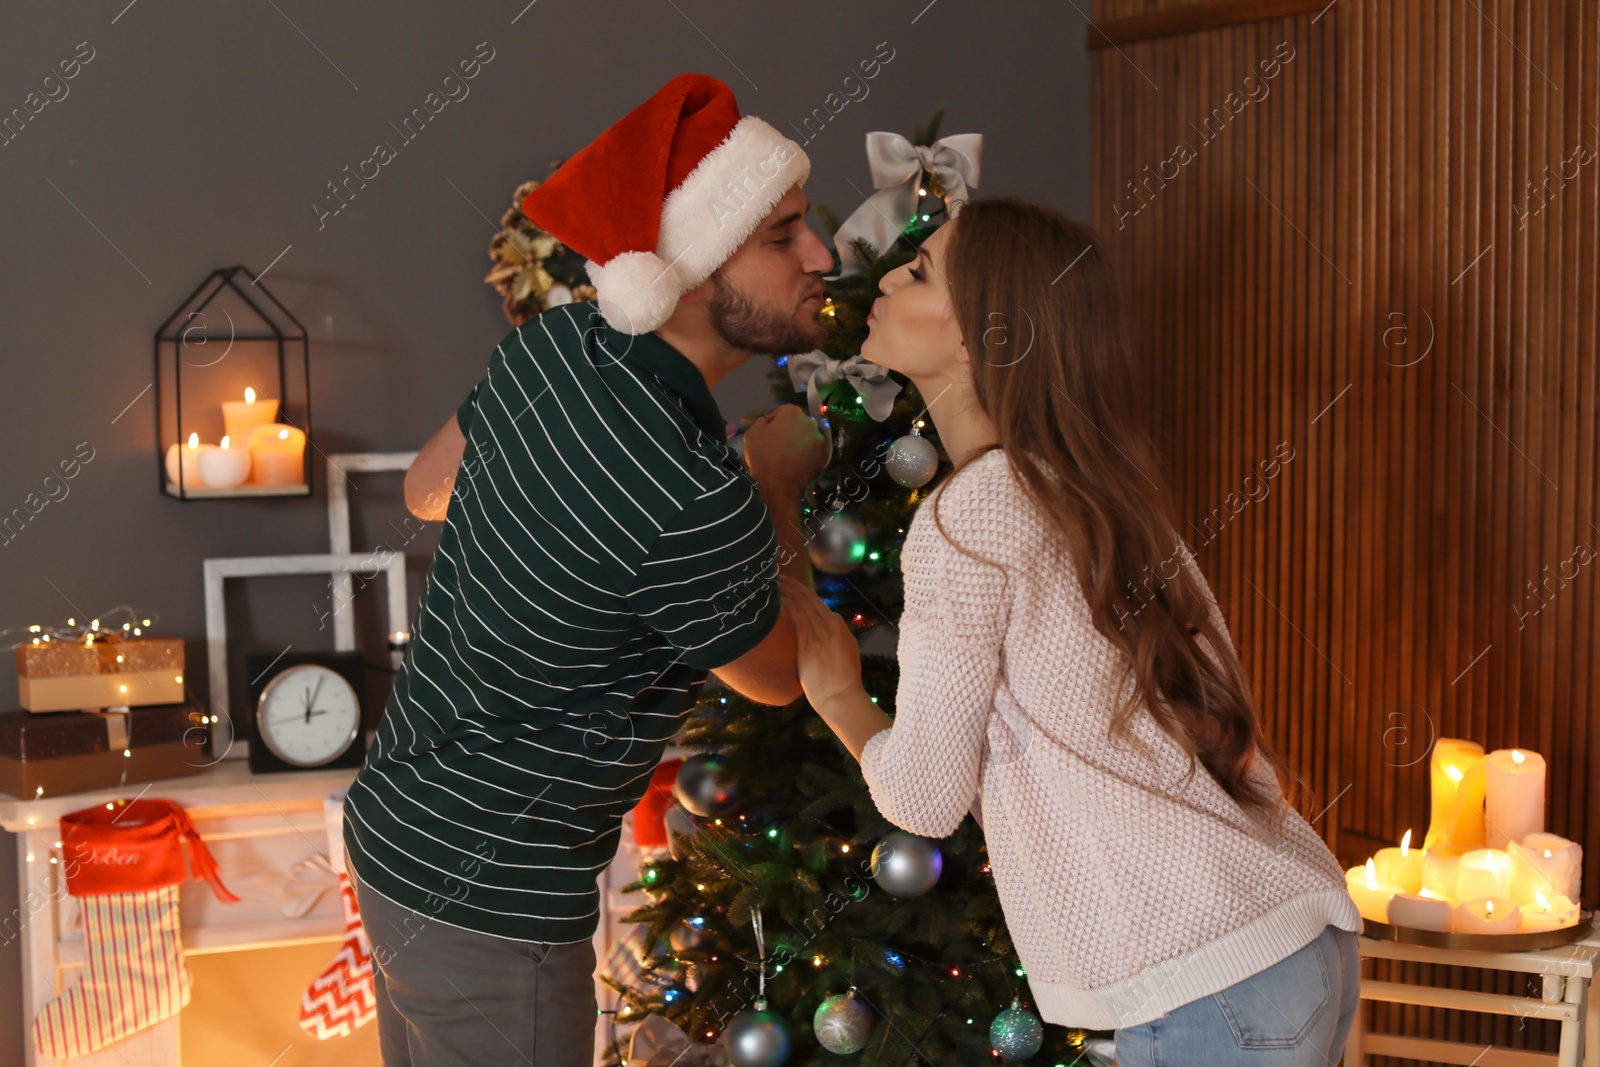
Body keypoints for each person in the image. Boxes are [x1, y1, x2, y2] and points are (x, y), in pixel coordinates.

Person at [777, 197, 1364, 1066]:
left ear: (986, 336)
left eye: (922, 270)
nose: (888, 274)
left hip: (1204, 979)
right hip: (1295, 940)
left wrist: (834, 693)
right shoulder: (1094, 493)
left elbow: (927, 797)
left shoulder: (970, 514)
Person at [343, 73, 831, 1066]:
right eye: (782, 236)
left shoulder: (556, 344)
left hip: (391, 832)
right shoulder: (698, 491)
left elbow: (427, 486)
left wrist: (550, 518)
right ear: (693, 270)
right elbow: (781, 676)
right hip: (493, 903)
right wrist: (775, 485)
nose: (823, 256)